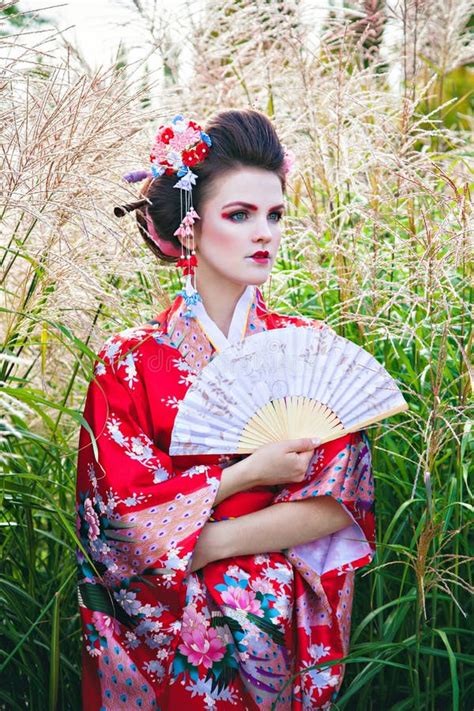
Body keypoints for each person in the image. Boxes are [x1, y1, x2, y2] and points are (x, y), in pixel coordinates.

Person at [75, 109, 375, 710]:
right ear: (188, 227)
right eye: (239, 215)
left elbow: (337, 505)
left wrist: (205, 543)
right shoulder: (130, 362)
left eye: (274, 214)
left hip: (273, 623)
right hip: (168, 636)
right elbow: (115, 523)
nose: (264, 232)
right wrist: (246, 475)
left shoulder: (307, 350)